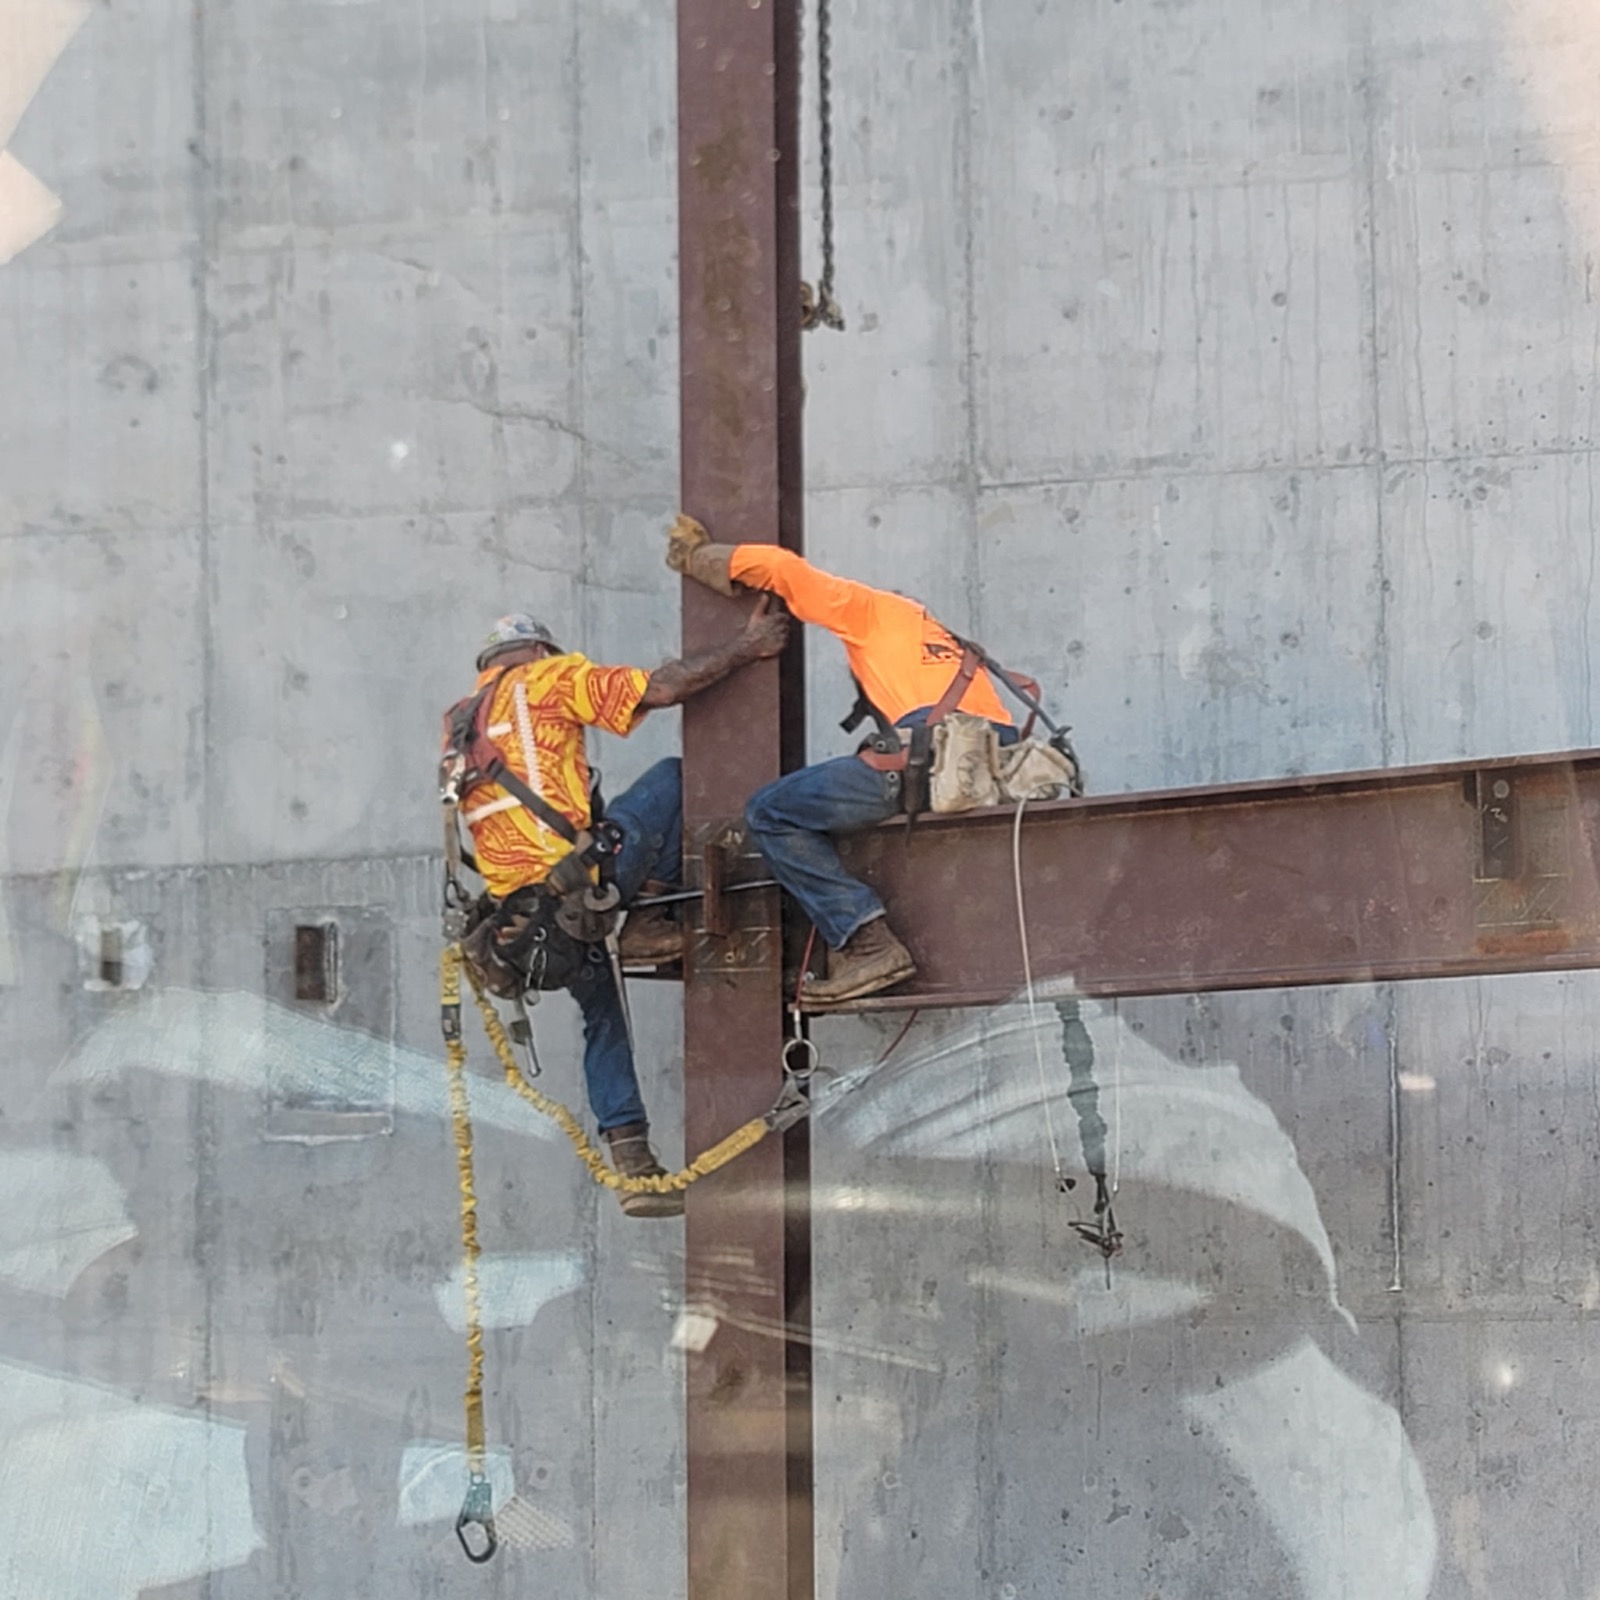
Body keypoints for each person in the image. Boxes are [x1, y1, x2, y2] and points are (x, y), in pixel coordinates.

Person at [449, 603, 788, 1216]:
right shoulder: (547, 680)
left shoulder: (460, 723)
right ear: (538, 653)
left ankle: (633, 1160)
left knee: (601, 1012)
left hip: (521, 922)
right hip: (577, 892)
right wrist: (747, 646)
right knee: (673, 778)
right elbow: (660, 687)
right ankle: (652, 918)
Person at [666, 515, 1019, 1007]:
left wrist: (699, 558)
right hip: (990, 759)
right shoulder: (945, 643)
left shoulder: (870, 610)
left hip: (929, 758)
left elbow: (782, 569)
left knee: (771, 810)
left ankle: (866, 942)